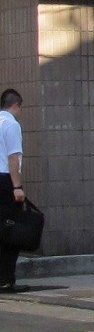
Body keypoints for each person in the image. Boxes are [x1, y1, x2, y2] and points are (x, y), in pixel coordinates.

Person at [0, 88, 29, 293]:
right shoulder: (11, 124)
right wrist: (17, 187)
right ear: (16, 105)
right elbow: (13, 158)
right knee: (11, 231)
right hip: (5, 181)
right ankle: (6, 279)